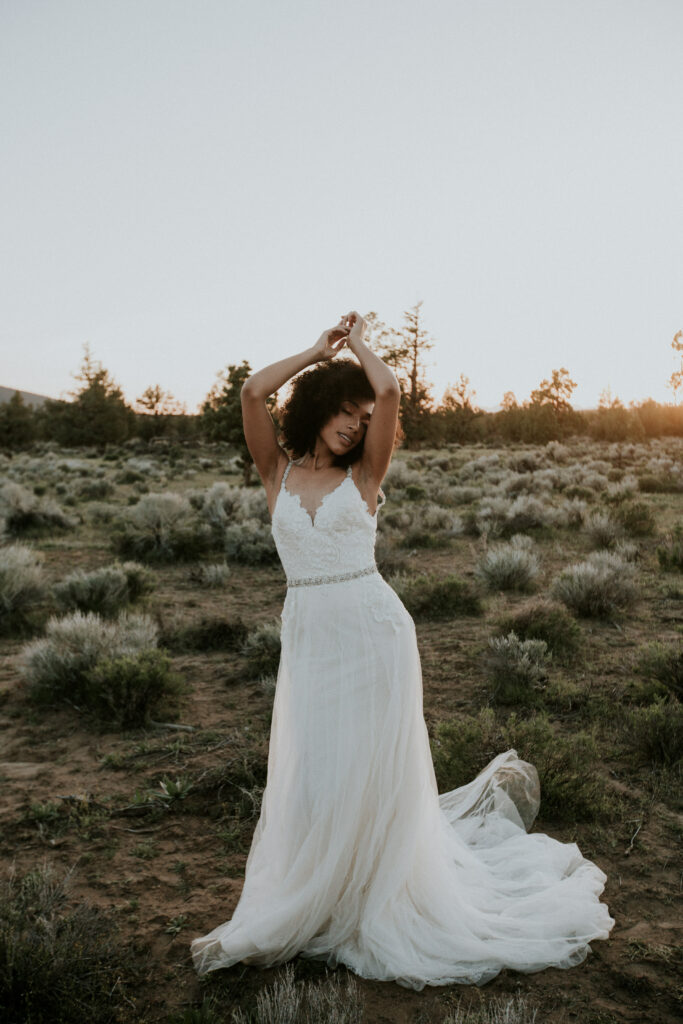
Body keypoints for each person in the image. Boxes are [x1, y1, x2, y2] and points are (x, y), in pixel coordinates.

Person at [190, 311, 615, 990]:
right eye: (344, 411)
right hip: (310, 635)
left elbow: (389, 394)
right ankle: (324, 888)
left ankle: (372, 895)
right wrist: (315, 351)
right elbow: (250, 393)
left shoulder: (365, 478)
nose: (356, 424)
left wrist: (360, 349)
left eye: (361, 417)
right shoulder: (275, 470)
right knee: (321, 768)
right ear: (319, 407)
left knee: (370, 768)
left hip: (372, 631)